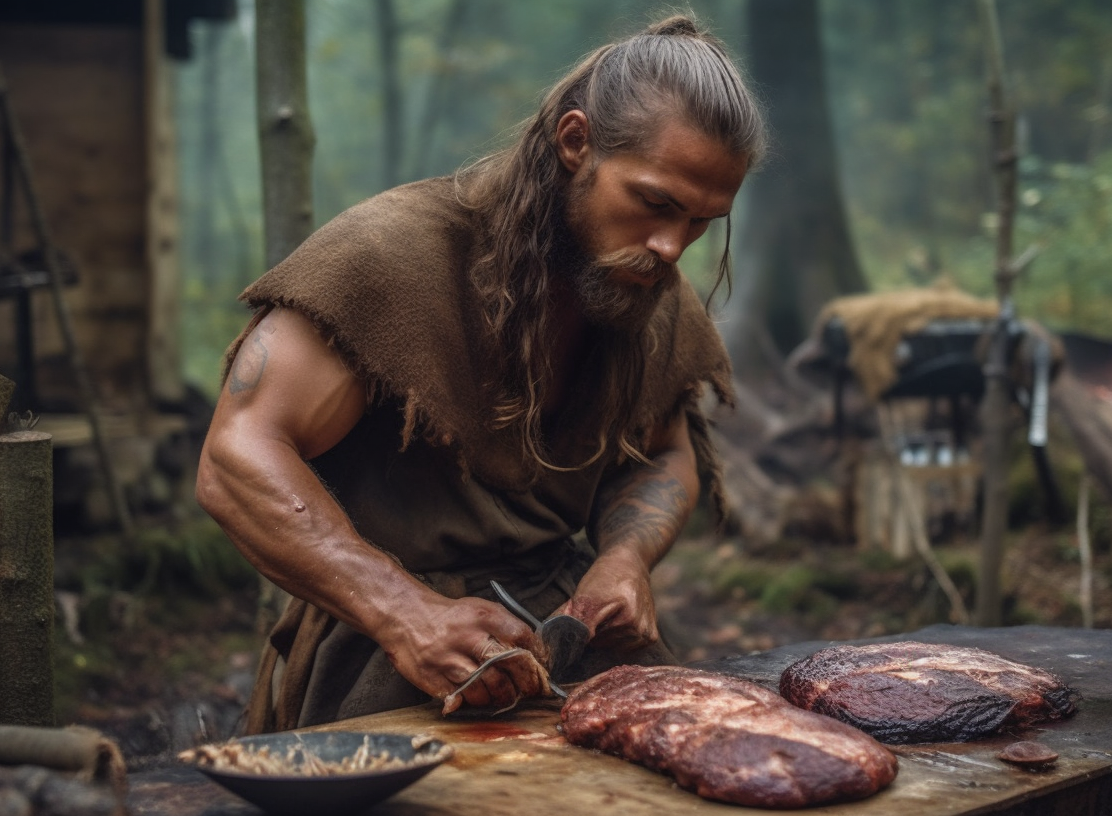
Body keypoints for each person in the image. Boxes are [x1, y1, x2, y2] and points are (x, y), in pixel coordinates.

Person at [197, 15, 766, 734]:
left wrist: (624, 558)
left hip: (574, 647)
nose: (672, 246)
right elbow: (236, 455)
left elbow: (667, 448)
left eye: (702, 223)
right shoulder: (391, 257)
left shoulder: (646, 288)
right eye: (655, 203)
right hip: (385, 656)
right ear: (575, 142)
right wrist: (402, 612)